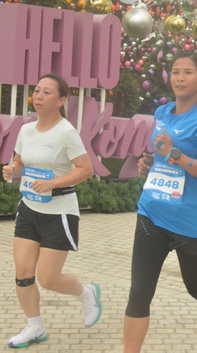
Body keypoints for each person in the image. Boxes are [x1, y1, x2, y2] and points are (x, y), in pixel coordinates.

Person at [123, 50, 197, 353]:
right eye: (175, 72)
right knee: (139, 294)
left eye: (188, 72)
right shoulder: (162, 112)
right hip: (152, 212)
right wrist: (149, 163)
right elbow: (160, 154)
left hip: (190, 220)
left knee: (196, 285)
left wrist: (175, 154)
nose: (180, 78)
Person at [2, 73, 98, 348]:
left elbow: (86, 169)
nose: (39, 96)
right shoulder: (26, 130)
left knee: (48, 278)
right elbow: (20, 161)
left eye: (46, 92)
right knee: (23, 273)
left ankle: (86, 293)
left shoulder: (66, 132)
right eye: (37, 91)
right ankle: (35, 326)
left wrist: (53, 183)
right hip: (29, 208)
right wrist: (12, 169)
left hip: (59, 212)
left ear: (61, 100)